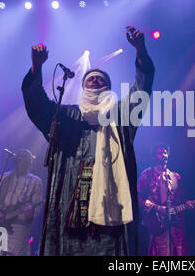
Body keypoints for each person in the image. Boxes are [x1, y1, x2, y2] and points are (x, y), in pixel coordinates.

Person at [22, 26, 155, 256]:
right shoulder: (66, 115)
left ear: (107, 87)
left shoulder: (121, 115)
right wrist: (37, 68)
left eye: (99, 79)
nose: (94, 80)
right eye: (90, 78)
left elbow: (141, 90)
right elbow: (38, 107)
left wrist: (141, 51)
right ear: (83, 86)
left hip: (110, 208)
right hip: (69, 202)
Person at [138, 143, 195, 256]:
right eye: (160, 153)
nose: (164, 154)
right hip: (156, 225)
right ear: (154, 157)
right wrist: (157, 208)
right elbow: (138, 198)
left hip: (176, 226)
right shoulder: (147, 175)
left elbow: (182, 202)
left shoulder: (175, 177)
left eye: (165, 152)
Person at [0, 149, 43, 256]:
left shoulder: (36, 181)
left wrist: (30, 214)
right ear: (15, 161)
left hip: (19, 229)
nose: (22, 162)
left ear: (30, 162)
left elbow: (38, 206)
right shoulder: (2, 178)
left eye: (25, 160)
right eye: (19, 159)